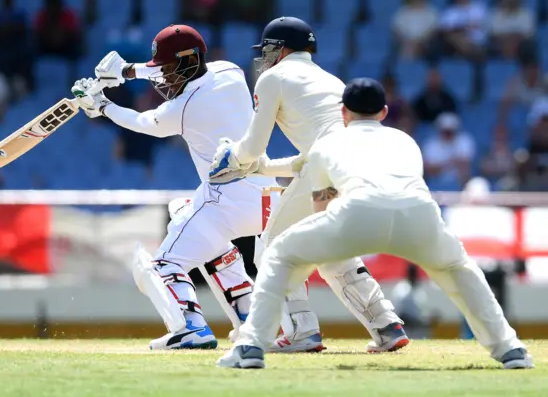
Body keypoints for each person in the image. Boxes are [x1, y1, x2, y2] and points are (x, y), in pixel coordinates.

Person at [217, 78, 534, 370]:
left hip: (358, 215)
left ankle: (250, 348)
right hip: (419, 217)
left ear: (343, 112)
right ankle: (511, 350)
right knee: (461, 270)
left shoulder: (326, 145)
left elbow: (323, 209)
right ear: (383, 111)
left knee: (279, 252)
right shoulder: (406, 141)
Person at [69, 25, 279, 350]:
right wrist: (125, 71)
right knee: (184, 212)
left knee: (163, 265)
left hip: (227, 201)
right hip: (266, 197)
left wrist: (102, 106)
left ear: (188, 63)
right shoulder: (230, 72)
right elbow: (164, 69)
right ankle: (251, 319)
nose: (163, 79)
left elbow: (142, 123)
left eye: (168, 70)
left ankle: (190, 328)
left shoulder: (184, 107)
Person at [209, 17, 408, 353]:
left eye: (269, 49)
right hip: (356, 166)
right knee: (332, 249)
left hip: (327, 167)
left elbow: (254, 146)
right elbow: (305, 160)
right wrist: (257, 167)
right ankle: (386, 324)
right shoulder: (328, 80)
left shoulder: (273, 78)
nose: (266, 57)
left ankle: (301, 330)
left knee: (274, 246)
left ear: (281, 48)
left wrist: (234, 157)